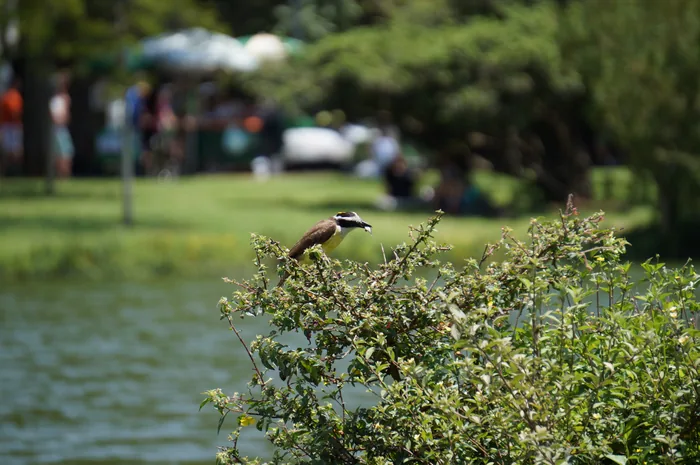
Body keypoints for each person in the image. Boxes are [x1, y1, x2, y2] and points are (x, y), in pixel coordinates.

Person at [50, 73, 74, 178]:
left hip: (62, 128)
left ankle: (64, 176)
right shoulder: (56, 99)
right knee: (61, 154)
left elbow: (67, 116)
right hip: (58, 129)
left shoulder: (64, 98)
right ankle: (61, 176)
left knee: (66, 153)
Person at [0, 76, 23, 175]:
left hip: (7, 126)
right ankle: (12, 172)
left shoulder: (5, 96)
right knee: (14, 152)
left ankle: (9, 172)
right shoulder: (13, 96)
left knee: (9, 152)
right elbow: (14, 111)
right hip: (12, 126)